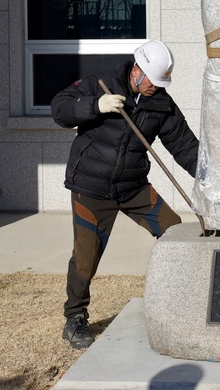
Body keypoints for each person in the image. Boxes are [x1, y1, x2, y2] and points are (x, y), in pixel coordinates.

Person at [51, 40, 199, 350]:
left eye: (161, 83)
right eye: (153, 82)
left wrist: (209, 177)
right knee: (86, 257)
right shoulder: (99, 84)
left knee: (177, 234)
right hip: (90, 188)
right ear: (136, 71)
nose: (156, 88)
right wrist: (95, 106)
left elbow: (186, 147)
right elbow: (60, 109)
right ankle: (75, 317)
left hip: (133, 188)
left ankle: (183, 303)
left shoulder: (161, 104)